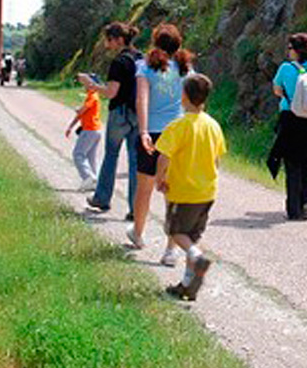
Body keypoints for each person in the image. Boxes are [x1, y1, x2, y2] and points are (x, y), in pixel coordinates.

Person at [127, 23, 195, 267]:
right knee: (171, 191)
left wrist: (144, 131)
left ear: (156, 43)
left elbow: (141, 100)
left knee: (144, 187)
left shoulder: (144, 67)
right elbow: (191, 102)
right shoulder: (186, 68)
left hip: (154, 133)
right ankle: (170, 250)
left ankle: (137, 233)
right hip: (178, 134)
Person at [156, 73, 227, 301]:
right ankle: (187, 284)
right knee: (191, 235)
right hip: (207, 192)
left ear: (183, 97)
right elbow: (217, 159)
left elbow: (164, 155)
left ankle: (196, 258)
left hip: (183, 191)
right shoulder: (213, 126)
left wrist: (160, 178)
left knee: (176, 232)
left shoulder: (179, 125)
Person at [80, 22, 141, 220]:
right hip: (139, 114)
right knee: (134, 160)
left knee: (111, 155)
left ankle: (102, 198)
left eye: (109, 40)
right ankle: (134, 209)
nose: (107, 44)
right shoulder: (142, 59)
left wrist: (92, 85)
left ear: (119, 40)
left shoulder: (119, 62)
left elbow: (111, 92)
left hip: (120, 113)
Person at [268, 33, 307, 220]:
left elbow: (277, 90)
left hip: (291, 119)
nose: (288, 51)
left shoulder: (286, 68)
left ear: (296, 50)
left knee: (292, 164)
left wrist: (289, 95)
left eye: (290, 48)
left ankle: (294, 208)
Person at [64, 74, 102, 192]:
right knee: (91, 157)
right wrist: (71, 126)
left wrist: (78, 109)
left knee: (78, 154)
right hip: (95, 130)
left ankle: (88, 177)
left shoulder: (93, 95)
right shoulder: (91, 96)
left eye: (88, 83)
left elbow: (82, 110)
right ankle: (94, 182)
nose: (85, 85)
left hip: (90, 130)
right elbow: (81, 114)